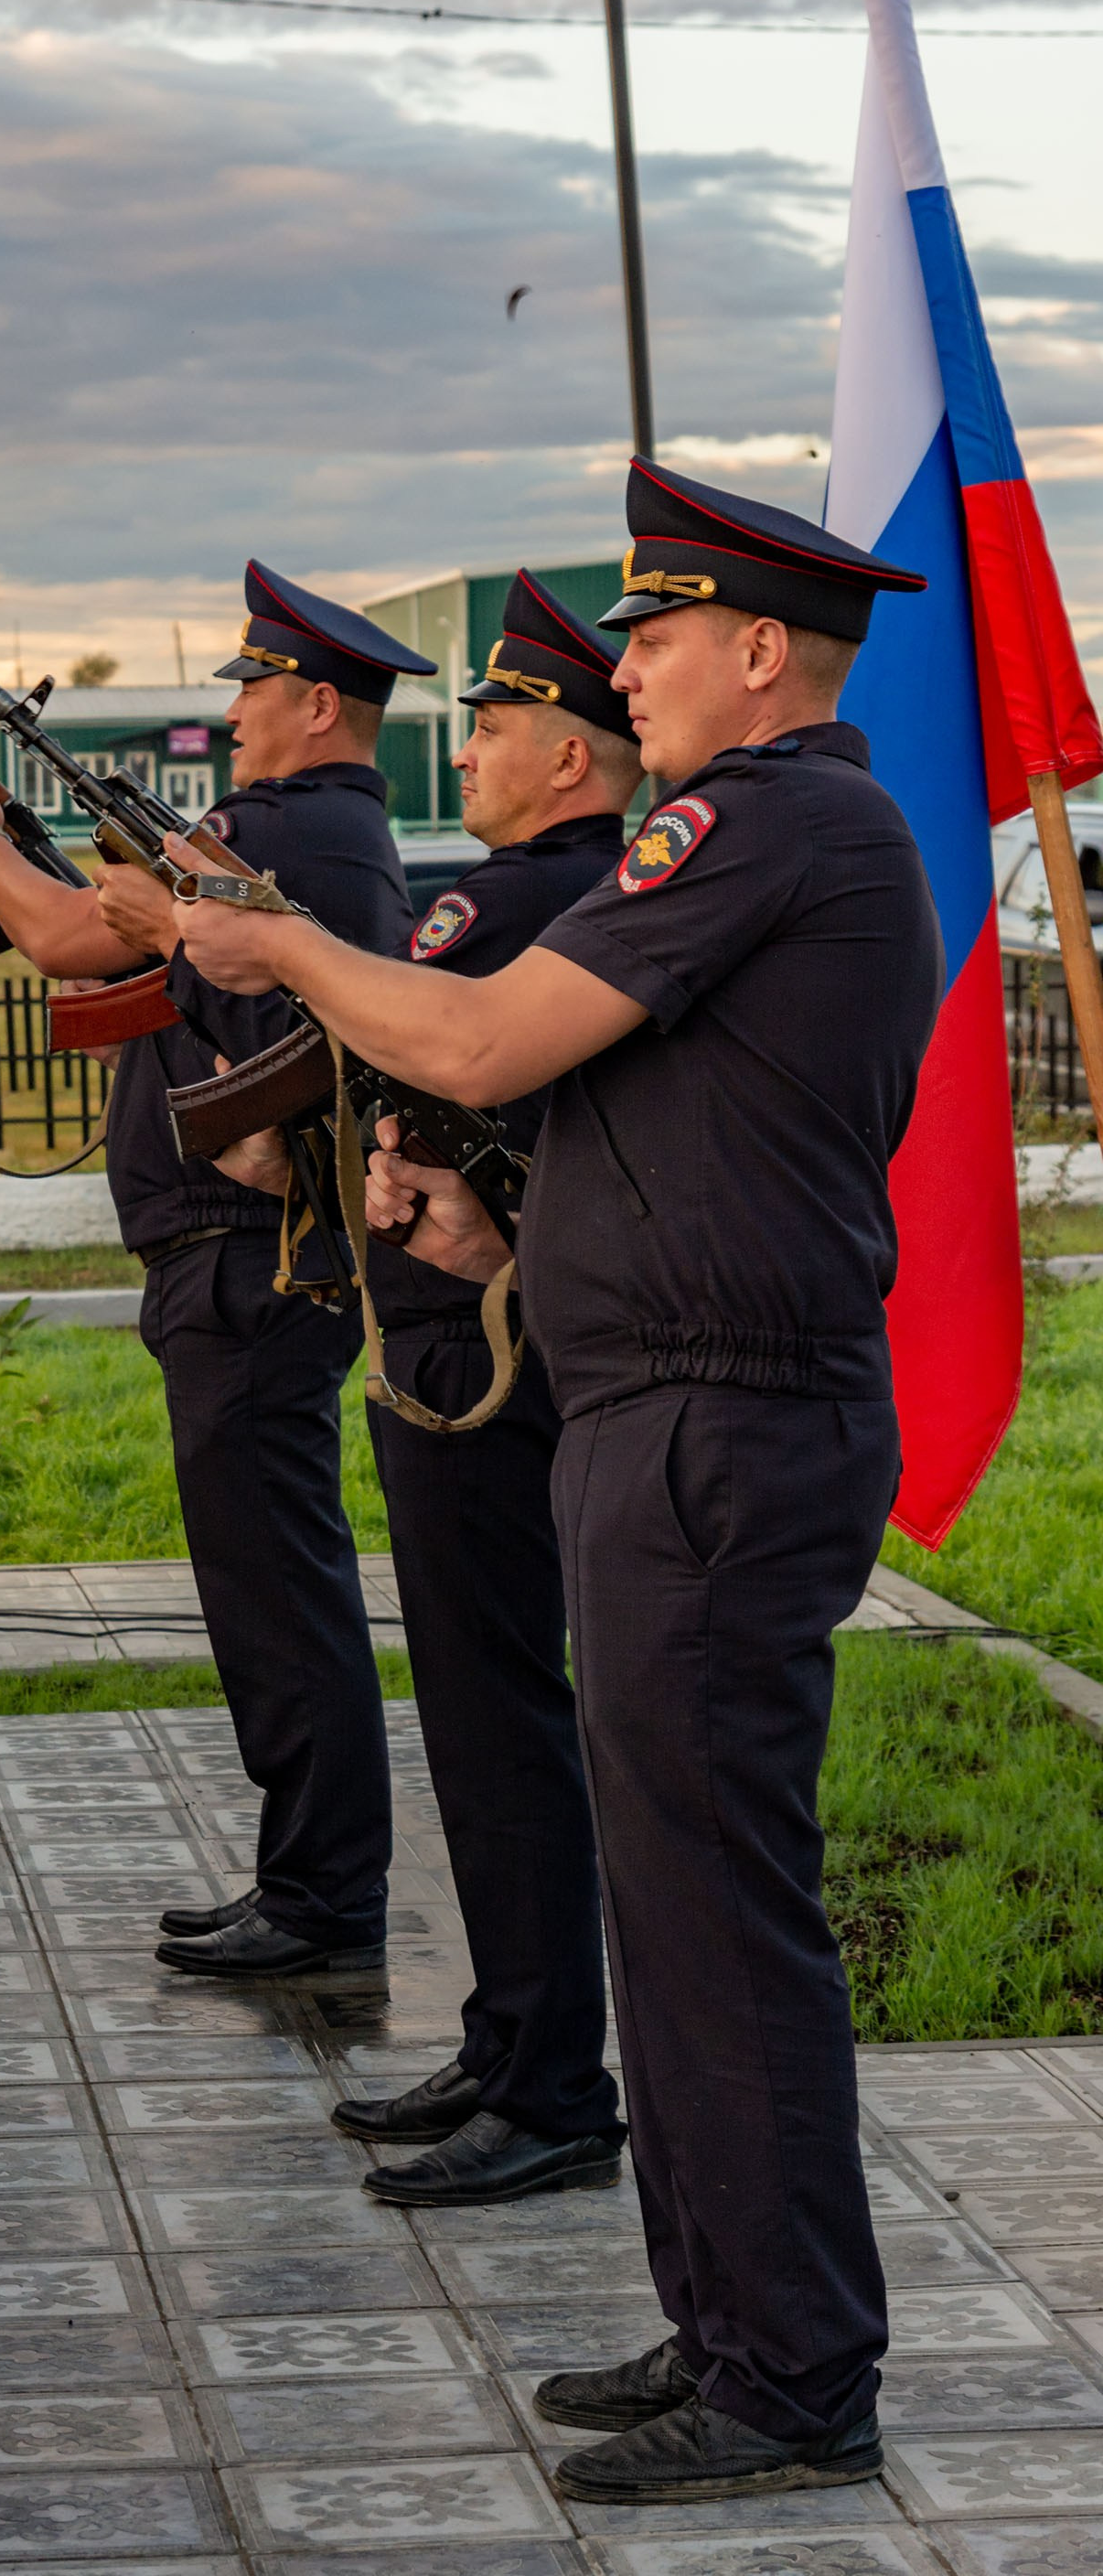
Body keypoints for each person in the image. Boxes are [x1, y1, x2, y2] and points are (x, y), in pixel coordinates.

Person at [167, 458, 937, 2506]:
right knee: (679, 1902)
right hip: (666, 1401)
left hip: (715, 1428)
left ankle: (787, 2374)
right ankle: (732, 2322)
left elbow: (497, 1044)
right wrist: (513, 1253)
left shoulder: (766, 820)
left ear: (756, 652)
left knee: (712, 1912)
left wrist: (274, 949)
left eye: (662, 638)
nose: (636, 674)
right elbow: (680, 1130)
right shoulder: (771, 833)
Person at [0, 561, 429, 1978]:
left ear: (317, 700)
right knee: (271, 1578)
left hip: (242, 1264)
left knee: (277, 1587)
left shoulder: (285, 832)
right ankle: (307, 1874)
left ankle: (326, 1895)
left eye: (256, 690)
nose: (240, 717)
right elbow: (135, 962)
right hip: (243, 1263)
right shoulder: (327, 837)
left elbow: (61, 937)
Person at [317, 573, 635, 2207]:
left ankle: (554, 2081)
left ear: (574, 758)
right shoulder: (562, 888)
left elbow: (415, 1044)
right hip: (477, 1325)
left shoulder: (510, 903)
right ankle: (517, 2040)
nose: (474, 743)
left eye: (500, 721)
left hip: (476, 1351)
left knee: (498, 1710)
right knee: (486, 1706)